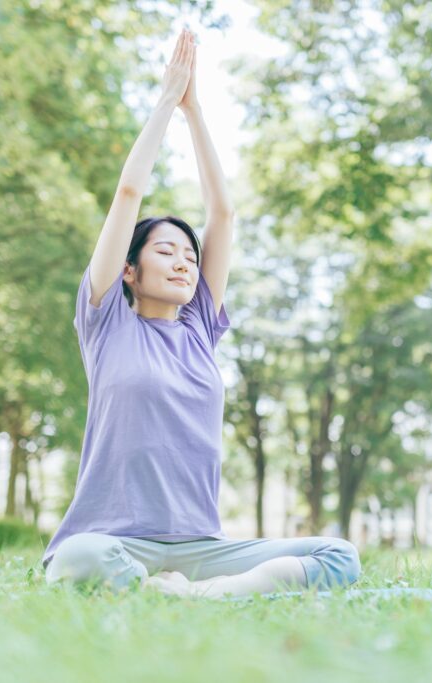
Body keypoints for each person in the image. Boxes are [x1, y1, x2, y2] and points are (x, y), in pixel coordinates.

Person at [40, 28, 361, 598]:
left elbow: (224, 212)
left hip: (201, 546)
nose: (184, 262)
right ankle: (177, 588)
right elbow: (128, 195)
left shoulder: (199, 330)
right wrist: (167, 101)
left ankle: (193, 594)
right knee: (78, 557)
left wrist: (197, 113)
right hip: (114, 538)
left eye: (190, 255)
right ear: (129, 273)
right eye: (165, 251)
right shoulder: (107, 324)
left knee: (338, 556)